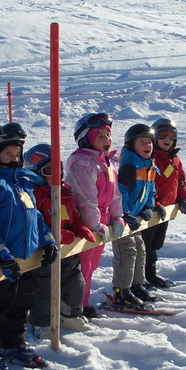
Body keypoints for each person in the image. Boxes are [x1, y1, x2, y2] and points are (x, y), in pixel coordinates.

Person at [0, 123, 59, 369]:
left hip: (26, 257)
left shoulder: (21, 181)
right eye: (8, 154)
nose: (15, 159)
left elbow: (34, 216)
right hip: (4, 260)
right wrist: (1, 254)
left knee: (21, 304)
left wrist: (47, 240)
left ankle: (13, 342)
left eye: (17, 154)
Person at [23, 143, 95, 338]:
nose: (56, 175)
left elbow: (73, 215)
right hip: (45, 255)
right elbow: (34, 225)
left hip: (68, 252)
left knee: (75, 283)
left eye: (58, 169)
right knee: (44, 289)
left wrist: (79, 228)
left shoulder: (64, 192)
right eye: (49, 170)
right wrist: (57, 235)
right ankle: (42, 322)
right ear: (35, 173)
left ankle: (70, 315)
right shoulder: (33, 196)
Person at [66, 113, 125, 318]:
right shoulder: (82, 163)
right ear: (86, 139)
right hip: (84, 224)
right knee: (81, 267)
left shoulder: (108, 163)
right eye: (100, 136)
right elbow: (85, 198)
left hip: (103, 221)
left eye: (108, 135)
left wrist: (117, 217)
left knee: (91, 266)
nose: (106, 139)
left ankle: (83, 302)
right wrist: (95, 223)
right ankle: (75, 307)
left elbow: (115, 194)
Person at [141, 118, 186, 290]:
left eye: (171, 135)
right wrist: (154, 203)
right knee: (145, 245)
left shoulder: (174, 160)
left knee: (156, 244)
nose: (167, 139)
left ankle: (151, 274)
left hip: (166, 211)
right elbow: (147, 185)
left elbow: (180, 181)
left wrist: (182, 198)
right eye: (162, 135)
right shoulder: (151, 159)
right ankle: (141, 278)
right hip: (151, 211)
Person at [112, 124, 158, 308]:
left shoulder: (149, 165)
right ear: (132, 145)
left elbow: (151, 190)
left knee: (140, 249)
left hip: (136, 218)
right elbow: (120, 193)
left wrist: (149, 206)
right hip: (123, 219)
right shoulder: (129, 167)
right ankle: (121, 291)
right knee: (127, 252)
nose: (147, 145)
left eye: (149, 142)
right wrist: (124, 213)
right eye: (142, 142)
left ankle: (136, 285)